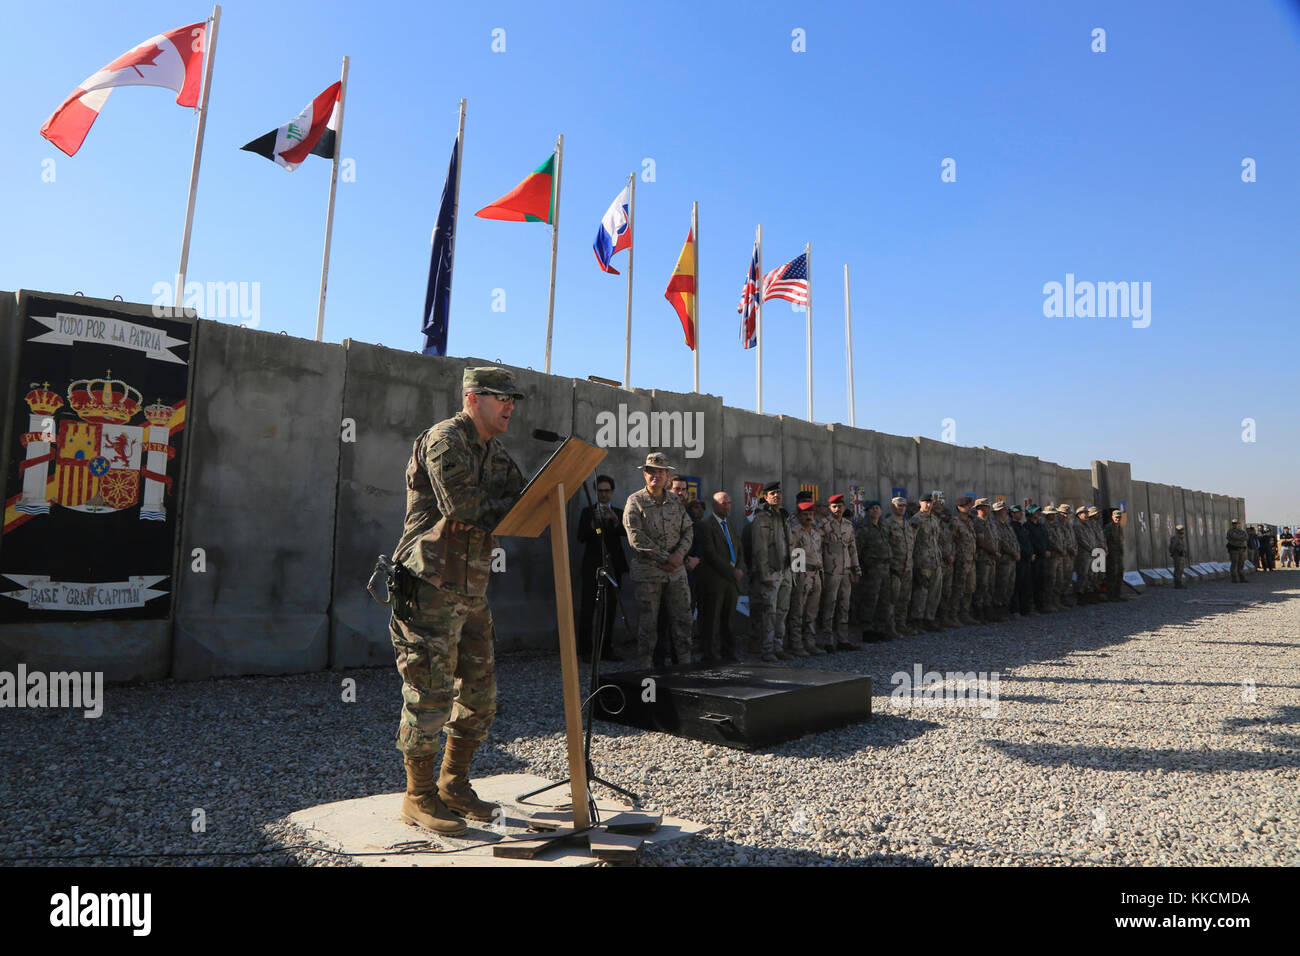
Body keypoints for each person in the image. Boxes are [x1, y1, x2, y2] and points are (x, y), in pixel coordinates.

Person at [389, 366, 527, 835]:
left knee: (480, 696)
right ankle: (418, 796)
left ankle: (453, 784)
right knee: (429, 695)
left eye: (513, 399)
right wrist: (517, 506)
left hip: (471, 587)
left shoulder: (496, 452)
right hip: (428, 584)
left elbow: (524, 496)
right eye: (500, 397)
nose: (510, 406)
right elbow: (463, 507)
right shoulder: (445, 440)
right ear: (473, 398)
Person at [623, 453, 694, 669]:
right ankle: (645, 670)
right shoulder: (635, 501)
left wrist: (678, 556)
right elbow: (635, 537)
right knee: (648, 624)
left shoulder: (675, 500)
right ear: (645, 474)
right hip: (649, 571)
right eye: (651, 471)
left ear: (667, 475)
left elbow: (688, 529)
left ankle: (685, 665)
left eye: (660, 471)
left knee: (683, 620)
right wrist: (665, 557)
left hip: (676, 572)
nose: (656, 475)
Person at [575, 474, 628, 661]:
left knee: (610, 609)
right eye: (600, 491)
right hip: (592, 566)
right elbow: (581, 537)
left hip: (613, 566)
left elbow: (626, 535)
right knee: (588, 608)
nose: (604, 495)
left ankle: (606, 648)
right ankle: (586, 650)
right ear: (595, 492)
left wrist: (614, 520)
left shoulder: (619, 512)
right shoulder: (587, 512)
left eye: (607, 491)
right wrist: (592, 524)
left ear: (612, 492)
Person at [696, 492, 745, 663]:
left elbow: (738, 549)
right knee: (712, 619)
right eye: (724, 503)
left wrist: (739, 567)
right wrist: (731, 571)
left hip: (731, 582)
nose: (728, 506)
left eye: (729, 503)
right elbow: (710, 554)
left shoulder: (730, 525)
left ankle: (728, 653)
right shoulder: (706, 525)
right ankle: (709, 654)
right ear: (714, 505)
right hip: (715, 580)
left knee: (728, 619)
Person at [750, 481, 793, 662]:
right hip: (771, 572)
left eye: (778, 493)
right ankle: (767, 649)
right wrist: (765, 574)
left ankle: (778, 646)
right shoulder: (762, 518)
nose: (777, 496)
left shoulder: (784, 516)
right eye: (772, 493)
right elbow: (760, 549)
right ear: (766, 497)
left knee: (783, 611)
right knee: (769, 612)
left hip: (785, 570)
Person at [819, 493, 862, 649]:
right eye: (834, 506)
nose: (838, 509)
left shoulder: (848, 525)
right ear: (830, 508)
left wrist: (856, 569)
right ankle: (827, 641)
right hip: (831, 570)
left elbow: (853, 548)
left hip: (846, 570)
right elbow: (818, 548)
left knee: (845, 605)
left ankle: (843, 640)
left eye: (840, 506)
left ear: (844, 507)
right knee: (829, 605)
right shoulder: (823, 525)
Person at [855, 500, 897, 641]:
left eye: (877, 508)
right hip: (871, 569)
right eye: (872, 508)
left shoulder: (882, 526)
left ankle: (880, 629)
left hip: (885, 568)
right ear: (866, 512)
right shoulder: (863, 528)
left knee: (884, 600)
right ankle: (867, 630)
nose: (875, 510)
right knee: (870, 600)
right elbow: (858, 550)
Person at [788, 501, 824, 656]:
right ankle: (796, 644)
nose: (809, 517)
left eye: (810, 514)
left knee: (812, 612)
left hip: (816, 574)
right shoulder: (795, 532)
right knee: (798, 611)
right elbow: (793, 553)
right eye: (805, 514)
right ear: (799, 516)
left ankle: (810, 642)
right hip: (803, 573)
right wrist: (798, 576)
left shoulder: (816, 533)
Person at [908, 494, 944, 632]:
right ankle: (917, 620)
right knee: (921, 592)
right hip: (922, 561)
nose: (928, 505)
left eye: (930, 502)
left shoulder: (934, 519)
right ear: (920, 503)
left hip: (935, 560)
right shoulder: (916, 520)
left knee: (935, 592)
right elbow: (911, 542)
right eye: (925, 502)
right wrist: (914, 563)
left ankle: (929, 619)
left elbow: (937, 540)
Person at [884, 496, 917, 636]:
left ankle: (901, 624)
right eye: (899, 506)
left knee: (905, 598)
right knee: (892, 599)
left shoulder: (907, 524)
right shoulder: (887, 524)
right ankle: (890, 627)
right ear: (893, 507)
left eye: (903, 506)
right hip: (894, 568)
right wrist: (891, 565)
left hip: (907, 566)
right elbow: (885, 546)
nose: (902, 508)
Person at [950, 497, 978, 625]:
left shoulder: (970, 522)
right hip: (961, 560)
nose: (969, 507)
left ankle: (965, 613)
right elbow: (951, 541)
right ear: (959, 507)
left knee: (970, 588)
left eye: (969, 505)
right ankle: (953, 615)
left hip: (971, 560)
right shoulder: (955, 522)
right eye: (966, 505)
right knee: (958, 589)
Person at [971, 498, 999, 623]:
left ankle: (988, 609)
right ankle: (979, 611)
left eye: (988, 506)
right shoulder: (978, 522)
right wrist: (994, 552)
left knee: (990, 585)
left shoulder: (990, 522)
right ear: (979, 509)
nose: (988, 509)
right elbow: (981, 542)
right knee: (982, 585)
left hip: (991, 559)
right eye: (985, 507)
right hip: (983, 559)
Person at [1104, 507, 1127, 601]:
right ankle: (1111, 596)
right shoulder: (1109, 528)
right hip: (1111, 555)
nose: (1117, 519)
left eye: (1119, 517)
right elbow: (1104, 540)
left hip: (1118, 554)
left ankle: (1117, 595)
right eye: (1116, 517)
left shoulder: (1119, 528)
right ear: (1112, 517)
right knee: (1112, 575)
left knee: (1119, 574)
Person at [1169, 524, 1188, 588]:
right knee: (1178, 570)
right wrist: (1173, 553)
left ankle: (1179, 583)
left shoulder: (1180, 537)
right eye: (1181, 530)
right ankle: (1177, 583)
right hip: (1177, 555)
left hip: (1181, 555)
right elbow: (1173, 547)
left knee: (1181, 569)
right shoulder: (1176, 537)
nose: (1183, 531)